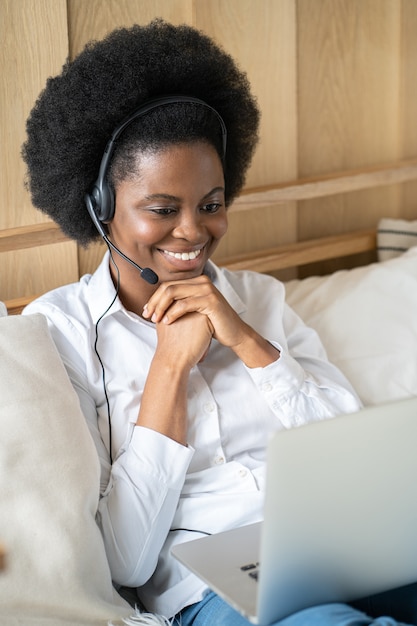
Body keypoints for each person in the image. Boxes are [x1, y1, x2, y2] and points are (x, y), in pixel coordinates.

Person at [21, 19, 416, 626]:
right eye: (162, 209)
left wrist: (247, 340)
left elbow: (359, 469)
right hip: (210, 593)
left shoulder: (260, 298)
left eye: (211, 205)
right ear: (99, 208)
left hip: (337, 547)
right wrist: (171, 364)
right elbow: (126, 560)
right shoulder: (62, 333)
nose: (193, 232)